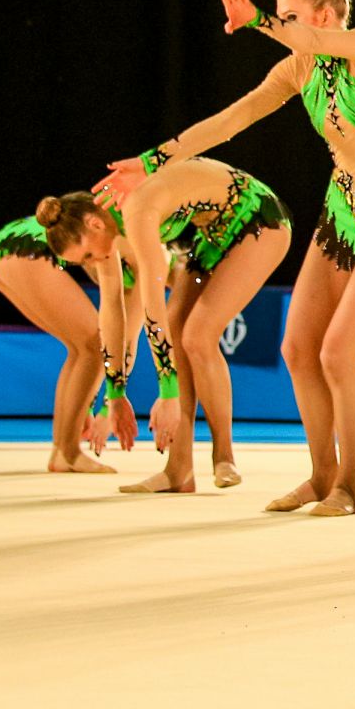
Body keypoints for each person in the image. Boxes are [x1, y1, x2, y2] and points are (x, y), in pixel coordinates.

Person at [100, 0, 355, 516]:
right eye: (278, 17)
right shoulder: (299, 69)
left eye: (289, 16)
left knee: (338, 352)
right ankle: (321, 476)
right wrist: (153, 160)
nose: (282, 27)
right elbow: (232, 120)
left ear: (323, 15)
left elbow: (307, 40)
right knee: (298, 349)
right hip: (340, 212)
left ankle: (348, 486)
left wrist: (255, 20)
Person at [39, 158, 291, 493]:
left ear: (93, 224)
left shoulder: (134, 215)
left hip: (258, 220)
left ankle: (224, 455)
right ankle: (178, 470)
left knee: (198, 335)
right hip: (211, 235)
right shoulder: (107, 233)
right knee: (176, 324)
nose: (92, 264)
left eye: (86, 256)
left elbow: (151, 306)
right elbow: (111, 313)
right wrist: (115, 394)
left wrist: (168, 393)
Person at [0, 211, 142, 471]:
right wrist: (108, 406)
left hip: (7, 246)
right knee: (93, 346)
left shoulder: (122, 249)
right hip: (27, 248)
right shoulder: (144, 260)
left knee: (82, 349)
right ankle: (68, 451)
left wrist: (94, 406)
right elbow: (121, 343)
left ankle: (62, 450)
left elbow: (123, 340)